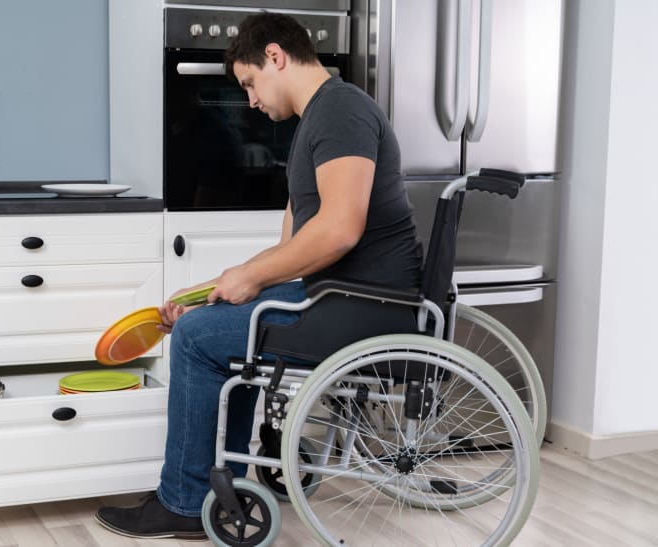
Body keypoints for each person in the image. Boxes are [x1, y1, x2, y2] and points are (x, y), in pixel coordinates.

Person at [96, 11, 423, 540]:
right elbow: (295, 250)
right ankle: (226, 485)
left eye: (249, 82)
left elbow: (340, 230)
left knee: (196, 340)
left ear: (275, 56)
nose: (249, 100)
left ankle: (183, 503)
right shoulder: (315, 122)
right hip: (341, 296)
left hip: (363, 308)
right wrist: (213, 292)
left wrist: (247, 277)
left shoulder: (339, 111)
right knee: (213, 321)